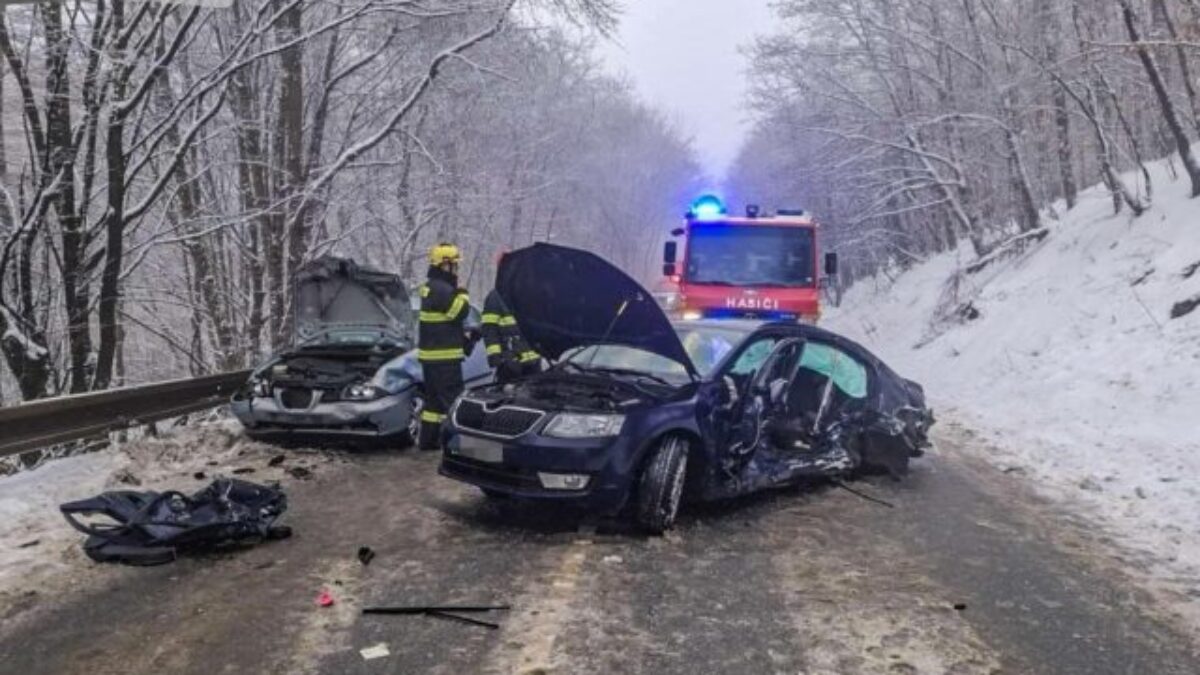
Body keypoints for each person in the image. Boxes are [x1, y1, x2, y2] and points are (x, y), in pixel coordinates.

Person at [417, 243, 471, 450]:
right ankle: (464, 447)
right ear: (444, 265)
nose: (456, 270)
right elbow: (459, 312)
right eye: (454, 265)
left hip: (432, 359)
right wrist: (463, 294)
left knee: (433, 404)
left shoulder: (431, 287)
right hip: (444, 360)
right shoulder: (441, 288)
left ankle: (428, 442)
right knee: (454, 402)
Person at [481, 271, 541, 383]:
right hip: (511, 364)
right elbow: (489, 330)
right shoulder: (495, 297)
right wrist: (500, 360)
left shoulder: (529, 295)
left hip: (533, 363)